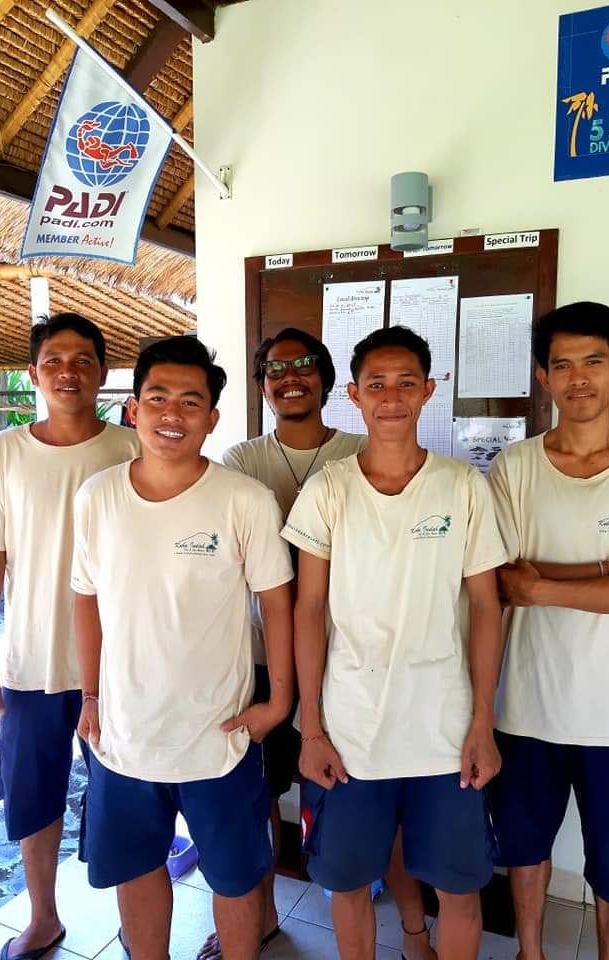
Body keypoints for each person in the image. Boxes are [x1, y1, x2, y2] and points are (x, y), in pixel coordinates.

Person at [282, 325, 507, 960]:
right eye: (376, 384)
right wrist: (312, 729)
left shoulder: (462, 486)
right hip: (351, 729)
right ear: (353, 395)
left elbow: (486, 605)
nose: (391, 397)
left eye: (406, 383)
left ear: (428, 391)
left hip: (445, 730)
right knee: (348, 882)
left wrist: (483, 723)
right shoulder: (329, 489)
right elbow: (309, 609)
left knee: (460, 890)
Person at [72, 336, 294, 960]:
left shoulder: (244, 499)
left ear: (212, 418)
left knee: (235, 878)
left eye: (190, 401)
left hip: (218, 736)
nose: (173, 413)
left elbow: (277, 604)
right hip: (123, 735)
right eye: (158, 398)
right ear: (133, 409)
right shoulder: (97, 497)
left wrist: (279, 702)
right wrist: (89, 695)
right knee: (137, 868)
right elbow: (85, 598)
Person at [0, 313, 140, 960]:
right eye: (54, 360)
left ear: (103, 372)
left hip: (116, 668)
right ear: (33, 374)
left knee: (125, 799)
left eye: (83, 360)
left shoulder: (131, 450)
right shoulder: (6, 452)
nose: (68, 371)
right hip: (31, 664)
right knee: (34, 800)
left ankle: (136, 923)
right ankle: (43, 918)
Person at [487, 302, 609, 960]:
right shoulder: (515, 466)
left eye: (594, 361)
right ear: (544, 377)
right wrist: (608, 571)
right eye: (561, 365)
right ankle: (530, 952)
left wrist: (545, 586)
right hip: (525, 705)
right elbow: (501, 579)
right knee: (524, 847)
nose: (578, 377)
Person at [198, 327, 368, 960]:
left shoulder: (360, 452)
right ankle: (263, 911)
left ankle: (359, 891)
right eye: (275, 368)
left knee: (350, 783)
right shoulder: (242, 461)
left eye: (303, 364)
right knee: (260, 795)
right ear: (262, 385)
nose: (290, 376)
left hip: (347, 655)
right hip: (262, 659)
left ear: (325, 377)